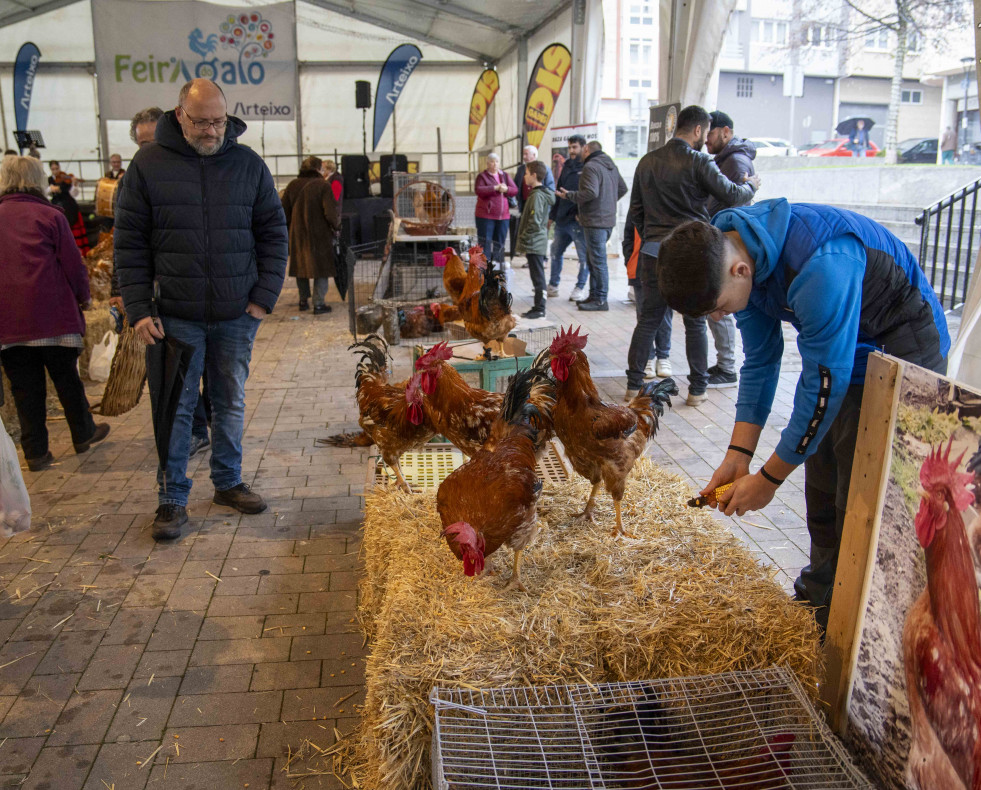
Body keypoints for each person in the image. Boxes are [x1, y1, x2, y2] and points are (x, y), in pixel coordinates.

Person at [656, 198, 950, 630]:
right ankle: (819, 602)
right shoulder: (733, 249)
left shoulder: (820, 266)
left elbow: (821, 387)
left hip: (903, 344)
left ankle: (861, 623)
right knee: (823, 483)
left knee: (862, 498)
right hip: (846, 348)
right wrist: (739, 454)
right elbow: (760, 360)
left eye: (717, 307)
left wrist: (770, 479)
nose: (720, 317)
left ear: (739, 272)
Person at [115, 78, 287, 541]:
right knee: (176, 405)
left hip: (236, 314)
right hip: (174, 315)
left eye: (218, 122)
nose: (211, 131)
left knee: (229, 401)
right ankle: (171, 498)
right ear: (179, 115)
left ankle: (228, 482)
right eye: (202, 122)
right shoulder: (148, 165)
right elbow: (129, 242)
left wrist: (263, 298)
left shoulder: (248, 165)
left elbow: (274, 232)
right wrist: (137, 307)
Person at [625, 104, 759, 405]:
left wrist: (652, 239)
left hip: (652, 252)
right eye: (705, 132)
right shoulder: (699, 162)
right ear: (698, 130)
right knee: (695, 321)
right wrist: (751, 186)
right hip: (692, 252)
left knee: (648, 321)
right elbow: (734, 196)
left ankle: (633, 385)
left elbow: (636, 212)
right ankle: (697, 389)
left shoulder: (646, 162)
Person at [0, 156, 110, 472]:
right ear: (38, 180)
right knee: (66, 379)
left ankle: (35, 453)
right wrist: (84, 297)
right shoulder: (50, 215)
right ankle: (83, 433)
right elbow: (73, 264)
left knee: (24, 389)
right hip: (52, 316)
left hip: (10, 324)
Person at [704, 110, 758, 388]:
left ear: (726, 131)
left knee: (719, 305)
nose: (705, 140)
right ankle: (724, 365)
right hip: (722, 243)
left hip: (726, 247)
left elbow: (736, 209)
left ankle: (726, 368)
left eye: (710, 133)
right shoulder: (726, 161)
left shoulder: (735, 162)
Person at [558, 140, 627, 312]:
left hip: (595, 220)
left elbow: (590, 192)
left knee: (598, 261)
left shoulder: (590, 167)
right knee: (594, 259)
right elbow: (622, 189)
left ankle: (600, 299)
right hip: (606, 220)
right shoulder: (610, 165)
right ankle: (594, 296)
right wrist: (607, 204)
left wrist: (569, 195)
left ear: (587, 149)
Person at [281, 156, 341, 316]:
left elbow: (283, 212)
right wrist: (336, 227)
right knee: (321, 269)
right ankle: (319, 303)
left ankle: (303, 301)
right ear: (317, 168)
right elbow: (330, 213)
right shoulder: (323, 185)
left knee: (301, 266)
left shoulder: (292, 185)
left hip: (297, 234)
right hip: (319, 234)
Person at [623, 212, 672, 379]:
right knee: (644, 315)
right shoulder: (638, 209)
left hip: (666, 266)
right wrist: (628, 258)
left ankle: (663, 356)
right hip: (639, 267)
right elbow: (628, 236)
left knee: (665, 314)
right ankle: (648, 358)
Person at [547, 134, 590, 302]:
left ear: (583, 148)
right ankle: (553, 285)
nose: (571, 151)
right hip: (562, 220)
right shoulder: (567, 166)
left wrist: (582, 213)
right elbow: (559, 192)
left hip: (578, 221)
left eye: (575, 147)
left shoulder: (588, 167)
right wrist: (552, 216)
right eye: (570, 147)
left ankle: (579, 287)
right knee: (555, 252)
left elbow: (589, 194)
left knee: (583, 257)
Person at [515, 160, 556, 319]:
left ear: (534, 175)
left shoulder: (538, 195)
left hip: (535, 241)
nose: (524, 176)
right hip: (535, 240)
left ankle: (540, 309)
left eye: (526, 173)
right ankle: (537, 307)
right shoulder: (536, 194)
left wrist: (525, 236)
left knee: (538, 276)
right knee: (535, 275)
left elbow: (536, 221)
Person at [474, 152, 517, 268]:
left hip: (503, 216)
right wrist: (495, 188)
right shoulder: (482, 177)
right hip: (485, 216)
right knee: (485, 242)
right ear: (487, 164)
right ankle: (485, 267)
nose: (494, 164)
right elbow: (479, 190)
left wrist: (506, 189)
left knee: (500, 242)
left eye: (497, 161)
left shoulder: (505, 176)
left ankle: (498, 267)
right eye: (492, 162)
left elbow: (515, 190)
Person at [47, 160, 89, 255]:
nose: (55, 171)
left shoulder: (66, 178)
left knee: (73, 228)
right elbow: (46, 193)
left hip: (69, 206)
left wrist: (74, 184)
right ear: (50, 169)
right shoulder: (49, 180)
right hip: (56, 206)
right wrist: (51, 189)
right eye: (53, 169)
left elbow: (74, 194)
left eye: (57, 168)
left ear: (59, 167)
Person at [514, 145, 556, 214]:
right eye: (523, 154)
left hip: (539, 205)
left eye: (526, 154)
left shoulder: (545, 169)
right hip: (524, 204)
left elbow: (550, 188)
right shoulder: (521, 169)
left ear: (534, 155)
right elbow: (516, 185)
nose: (524, 157)